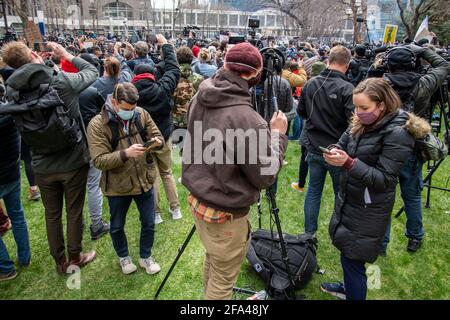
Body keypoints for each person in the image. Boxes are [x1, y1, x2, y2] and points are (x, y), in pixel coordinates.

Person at [182, 42, 288, 300]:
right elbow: (265, 175)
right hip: (224, 210)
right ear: (253, 73)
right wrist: (277, 136)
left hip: (201, 199)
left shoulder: (201, 94)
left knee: (214, 261)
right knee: (222, 280)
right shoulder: (244, 116)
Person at [320, 78, 428, 300]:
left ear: (381, 105)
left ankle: (353, 292)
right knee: (349, 256)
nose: (358, 112)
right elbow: (343, 142)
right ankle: (348, 287)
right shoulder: (362, 122)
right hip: (353, 199)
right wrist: (333, 151)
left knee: (353, 259)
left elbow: (385, 179)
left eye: (364, 108)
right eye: (356, 107)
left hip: (368, 207)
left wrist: (349, 163)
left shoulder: (398, 132)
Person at [0, 41, 98, 274]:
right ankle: (75, 257)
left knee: (51, 214)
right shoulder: (59, 80)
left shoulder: (12, 92)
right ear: (33, 54)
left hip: (41, 163)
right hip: (73, 160)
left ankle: (60, 261)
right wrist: (66, 54)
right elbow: (93, 71)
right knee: (73, 211)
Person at [87, 82, 164, 275]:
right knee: (117, 226)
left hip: (144, 179)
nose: (130, 112)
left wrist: (155, 142)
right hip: (117, 184)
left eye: (133, 108)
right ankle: (124, 257)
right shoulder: (97, 124)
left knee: (148, 222)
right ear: (114, 102)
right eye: (126, 109)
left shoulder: (141, 113)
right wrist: (126, 154)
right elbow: (98, 160)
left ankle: (146, 257)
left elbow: (158, 136)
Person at [381, 44, 450, 254]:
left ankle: (382, 244)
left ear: (389, 65)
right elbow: (443, 65)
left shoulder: (381, 85)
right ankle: (415, 237)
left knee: (384, 198)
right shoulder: (424, 83)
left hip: (386, 147)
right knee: (412, 197)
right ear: (413, 63)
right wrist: (422, 50)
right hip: (412, 146)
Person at [297, 45, 355, 236]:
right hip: (325, 148)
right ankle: (315, 233)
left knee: (317, 191)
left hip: (327, 148)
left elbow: (353, 122)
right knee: (337, 193)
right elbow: (302, 112)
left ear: (329, 61)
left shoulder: (345, 88)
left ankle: (312, 233)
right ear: (347, 65)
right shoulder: (317, 84)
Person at [132, 34, 182, 224]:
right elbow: (173, 69)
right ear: (152, 75)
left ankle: (156, 213)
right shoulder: (162, 89)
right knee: (166, 172)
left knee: (153, 177)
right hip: (164, 135)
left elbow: (172, 70)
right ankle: (175, 209)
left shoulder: (130, 95)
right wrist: (166, 46)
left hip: (145, 139)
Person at [78, 72, 110, 240]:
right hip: (89, 143)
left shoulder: (61, 93)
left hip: (73, 146)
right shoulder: (90, 91)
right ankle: (96, 225)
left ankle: (79, 225)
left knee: (76, 190)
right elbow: (104, 109)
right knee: (93, 185)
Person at [0, 113, 31, 281]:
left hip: (8, 173)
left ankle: (5, 267)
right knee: (17, 215)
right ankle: (25, 258)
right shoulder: (10, 113)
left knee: (17, 215)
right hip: (12, 173)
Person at [173, 46, 204, 130]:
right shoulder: (200, 79)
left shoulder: (172, 78)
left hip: (175, 121)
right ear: (191, 59)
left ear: (177, 59)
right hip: (194, 119)